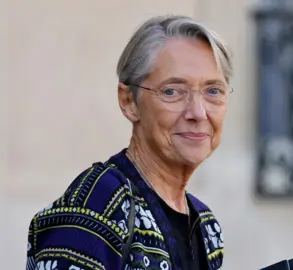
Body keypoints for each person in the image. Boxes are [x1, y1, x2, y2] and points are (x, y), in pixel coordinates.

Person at [26, 14, 232, 270]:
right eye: (172, 91)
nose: (198, 112)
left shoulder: (205, 225)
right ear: (129, 102)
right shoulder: (99, 203)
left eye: (213, 91)